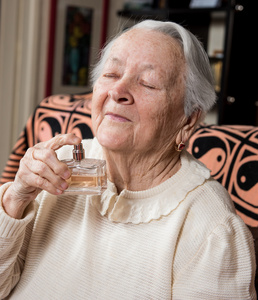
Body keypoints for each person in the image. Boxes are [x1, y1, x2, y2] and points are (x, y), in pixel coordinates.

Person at [0, 19, 256, 299]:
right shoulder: (58, 164)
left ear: (189, 118)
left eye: (148, 83)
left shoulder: (211, 229)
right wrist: (15, 200)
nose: (117, 91)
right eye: (111, 74)